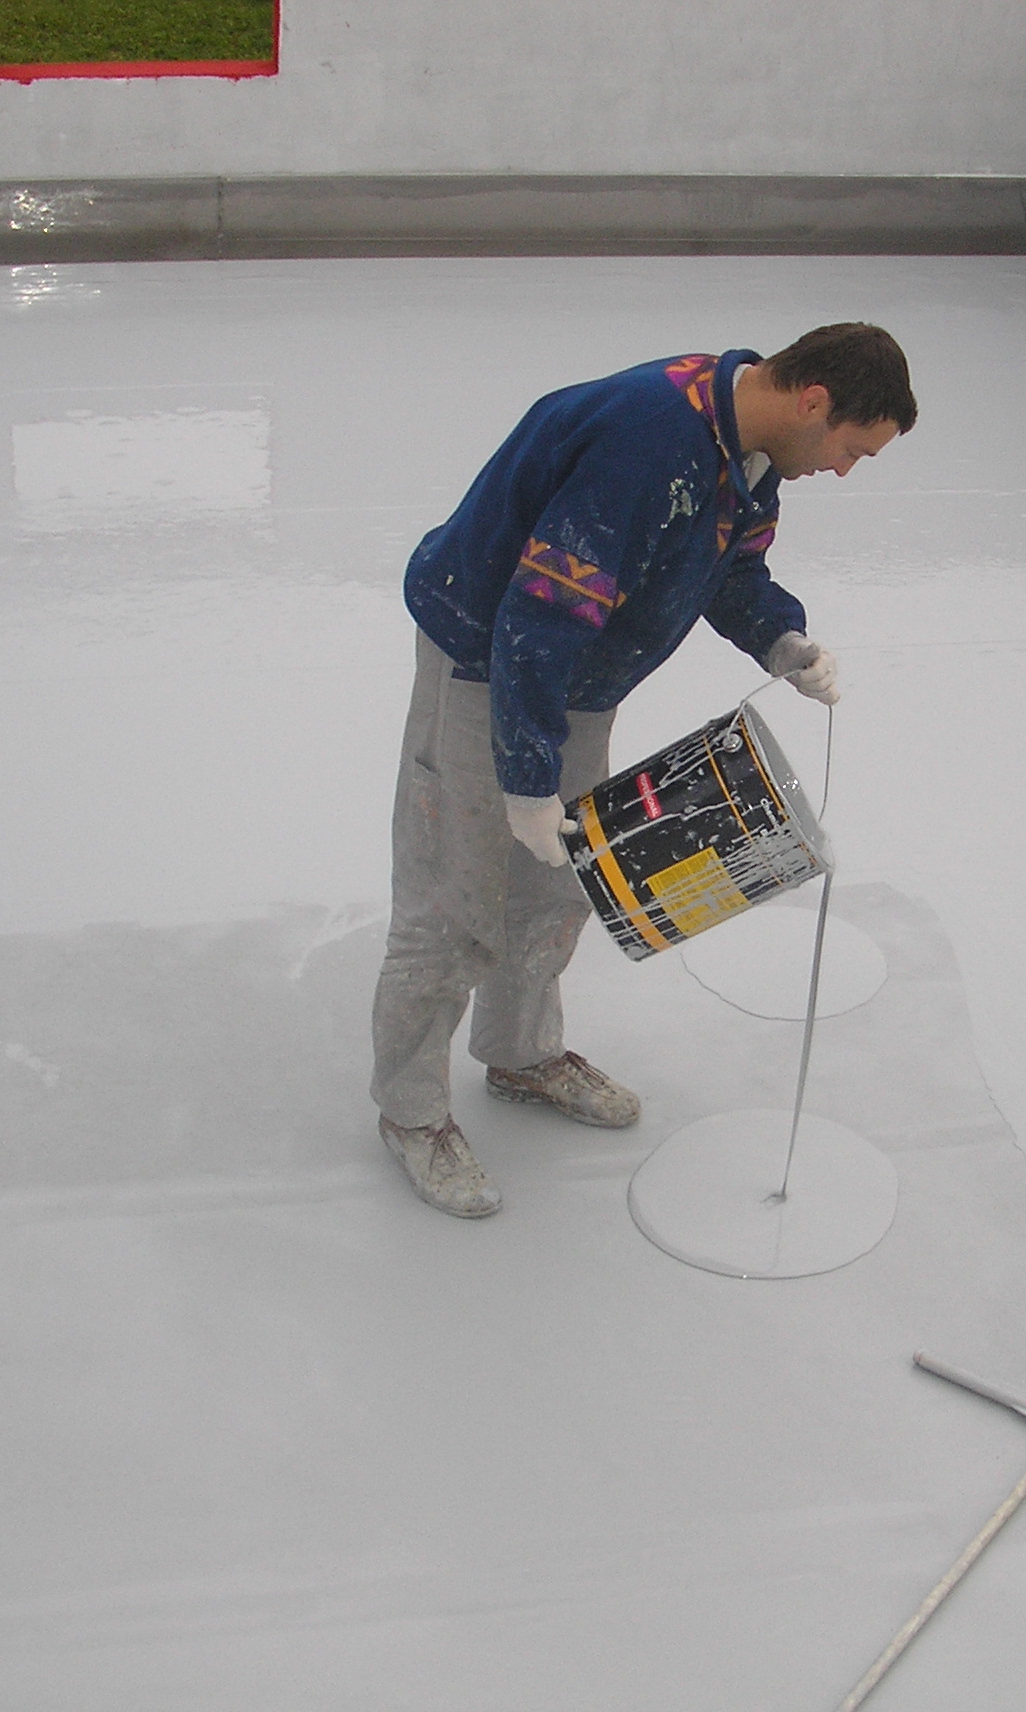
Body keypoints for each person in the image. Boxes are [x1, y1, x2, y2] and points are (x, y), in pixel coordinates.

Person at [369, 323, 917, 1217]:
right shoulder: (644, 441)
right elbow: (537, 619)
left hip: (578, 674)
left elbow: (732, 569)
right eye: (852, 449)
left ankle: (520, 1055)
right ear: (813, 401)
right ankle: (411, 1112)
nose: (844, 470)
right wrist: (527, 779)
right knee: (454, 903)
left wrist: (781, 638)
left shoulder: (751, 454)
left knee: (557, 885)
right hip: (488, 662)